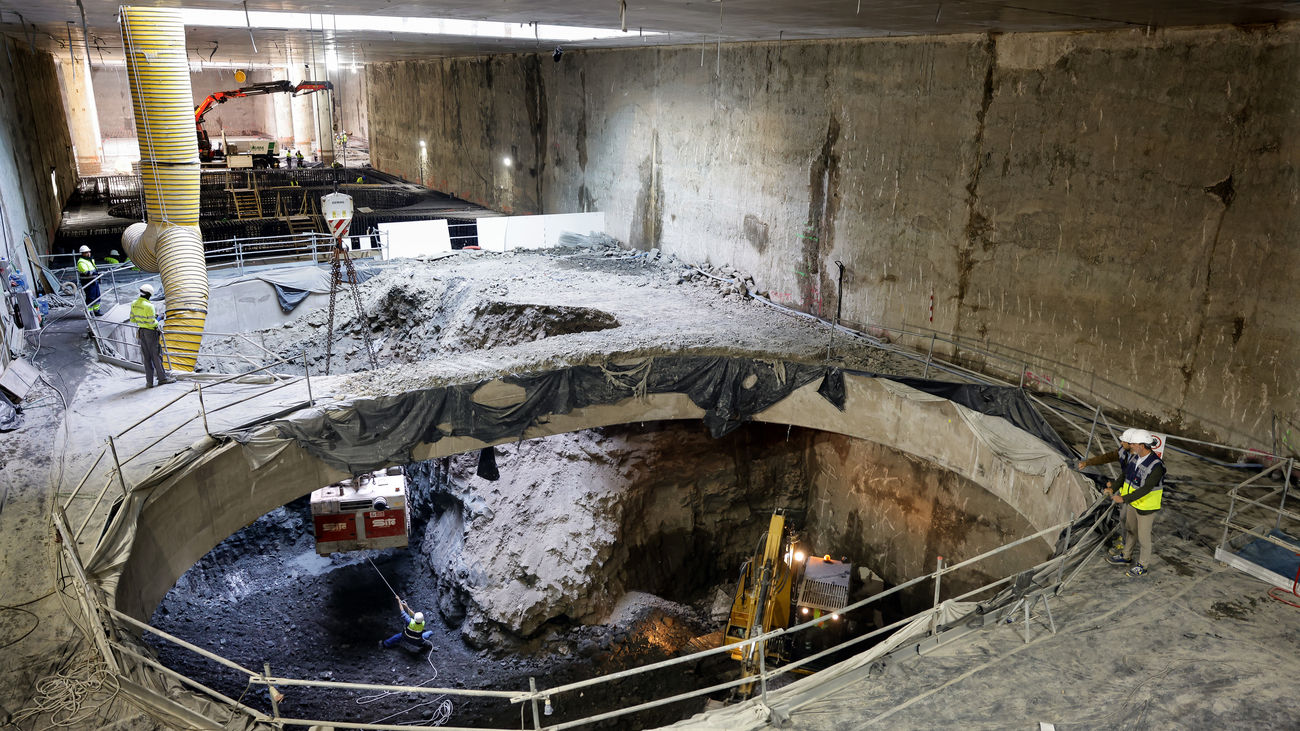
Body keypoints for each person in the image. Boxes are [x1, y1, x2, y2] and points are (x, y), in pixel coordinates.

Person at [1102, 429, 1166, 578]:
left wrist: (1123, 499)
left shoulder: (1157, 466)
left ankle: (1143, 566)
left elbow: (1146, 488)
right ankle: (1126, 555)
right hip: (1132, 503)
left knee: (1144, 538)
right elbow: (1124, 476)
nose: (1131, 446)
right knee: (1130, 530)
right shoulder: (1134, 458)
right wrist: (1113, 488)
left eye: (1134, 444)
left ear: (1142, 445)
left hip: (1146, 507)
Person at [1077, 428, 1140, 556]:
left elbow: (1126, 475)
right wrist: (1088, 462)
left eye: (1124, 441)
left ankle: (1127, 550)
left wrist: (1113, 487)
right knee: (1123, 519)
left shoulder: (1139, 458)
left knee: (1129, 522)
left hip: (1136, 494)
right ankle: (1125, 541)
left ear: (1132, 443)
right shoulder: (1123, 451)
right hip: (1126, 490)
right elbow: (1108, 457)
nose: (1121, 443)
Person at [130, 284, 174, 388]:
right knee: (156, 356)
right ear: (149, 295)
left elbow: (132, 319)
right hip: (151, 333)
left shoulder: (134, 303)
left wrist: (148, 319)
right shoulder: (149, 306)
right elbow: (152, 323)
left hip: (142, 332)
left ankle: (149, 382)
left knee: (147, 357)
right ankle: (162, 379)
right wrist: (159, 318)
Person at [75, 245, 101, 316]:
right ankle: (89, 312)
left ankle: (96, 311)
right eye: (86, 252)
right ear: (82, 253)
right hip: (87, 282)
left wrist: (97, 275)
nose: (88, 253)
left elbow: (94, 269)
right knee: (90, 297)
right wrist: (97, 273)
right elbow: (86, 272)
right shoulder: (81, 262)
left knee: (97, 296)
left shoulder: (90, 260)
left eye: (89, 252)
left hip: (94, 280)